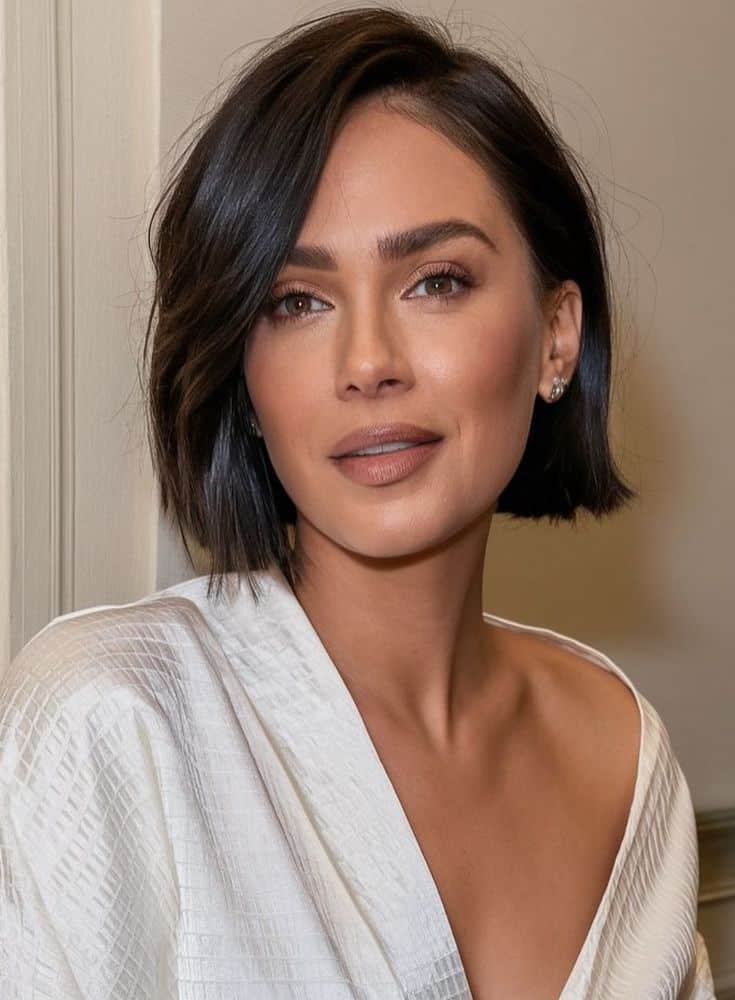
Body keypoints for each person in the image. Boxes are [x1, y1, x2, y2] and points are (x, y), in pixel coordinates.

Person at [0, 7, 716, 998]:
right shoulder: (113, 720)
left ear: (557, 333)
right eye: (296, 302)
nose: (368, 362)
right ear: (242, 378)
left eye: (436, 280)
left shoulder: (628, 751)